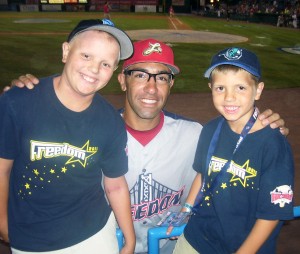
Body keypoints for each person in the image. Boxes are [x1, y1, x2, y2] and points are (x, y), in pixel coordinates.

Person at [7, 40, 288, 254]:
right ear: (122, 80)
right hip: (109, 244)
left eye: (162, 77)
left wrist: (266, 125)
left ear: (171, 85)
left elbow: (232, 151)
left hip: (172, 244)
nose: (152, 87)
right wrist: (28, 93)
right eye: (140, 75)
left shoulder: (195, 134)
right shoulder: (96, 132)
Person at [0, 19, 136, 254]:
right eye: (86, 56)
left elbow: (115, 185)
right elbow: (2, 169)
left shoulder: (111, 121)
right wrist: (2, 222)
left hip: (94, 232)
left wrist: (130, 238)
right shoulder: (18, 102)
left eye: (105, 63)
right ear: (66, 52)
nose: (94, 69)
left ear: (113, 71)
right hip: (32, 236)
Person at [171, 47, 295, 254]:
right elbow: (203, 175)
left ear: (258, 90)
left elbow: (271, 214)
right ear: (210, 87)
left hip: (246, 245)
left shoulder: (273, 143)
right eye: (220, 88)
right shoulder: (211, 129)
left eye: (240, 88)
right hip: (199, 237)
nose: (229, 97)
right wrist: (186, 209)